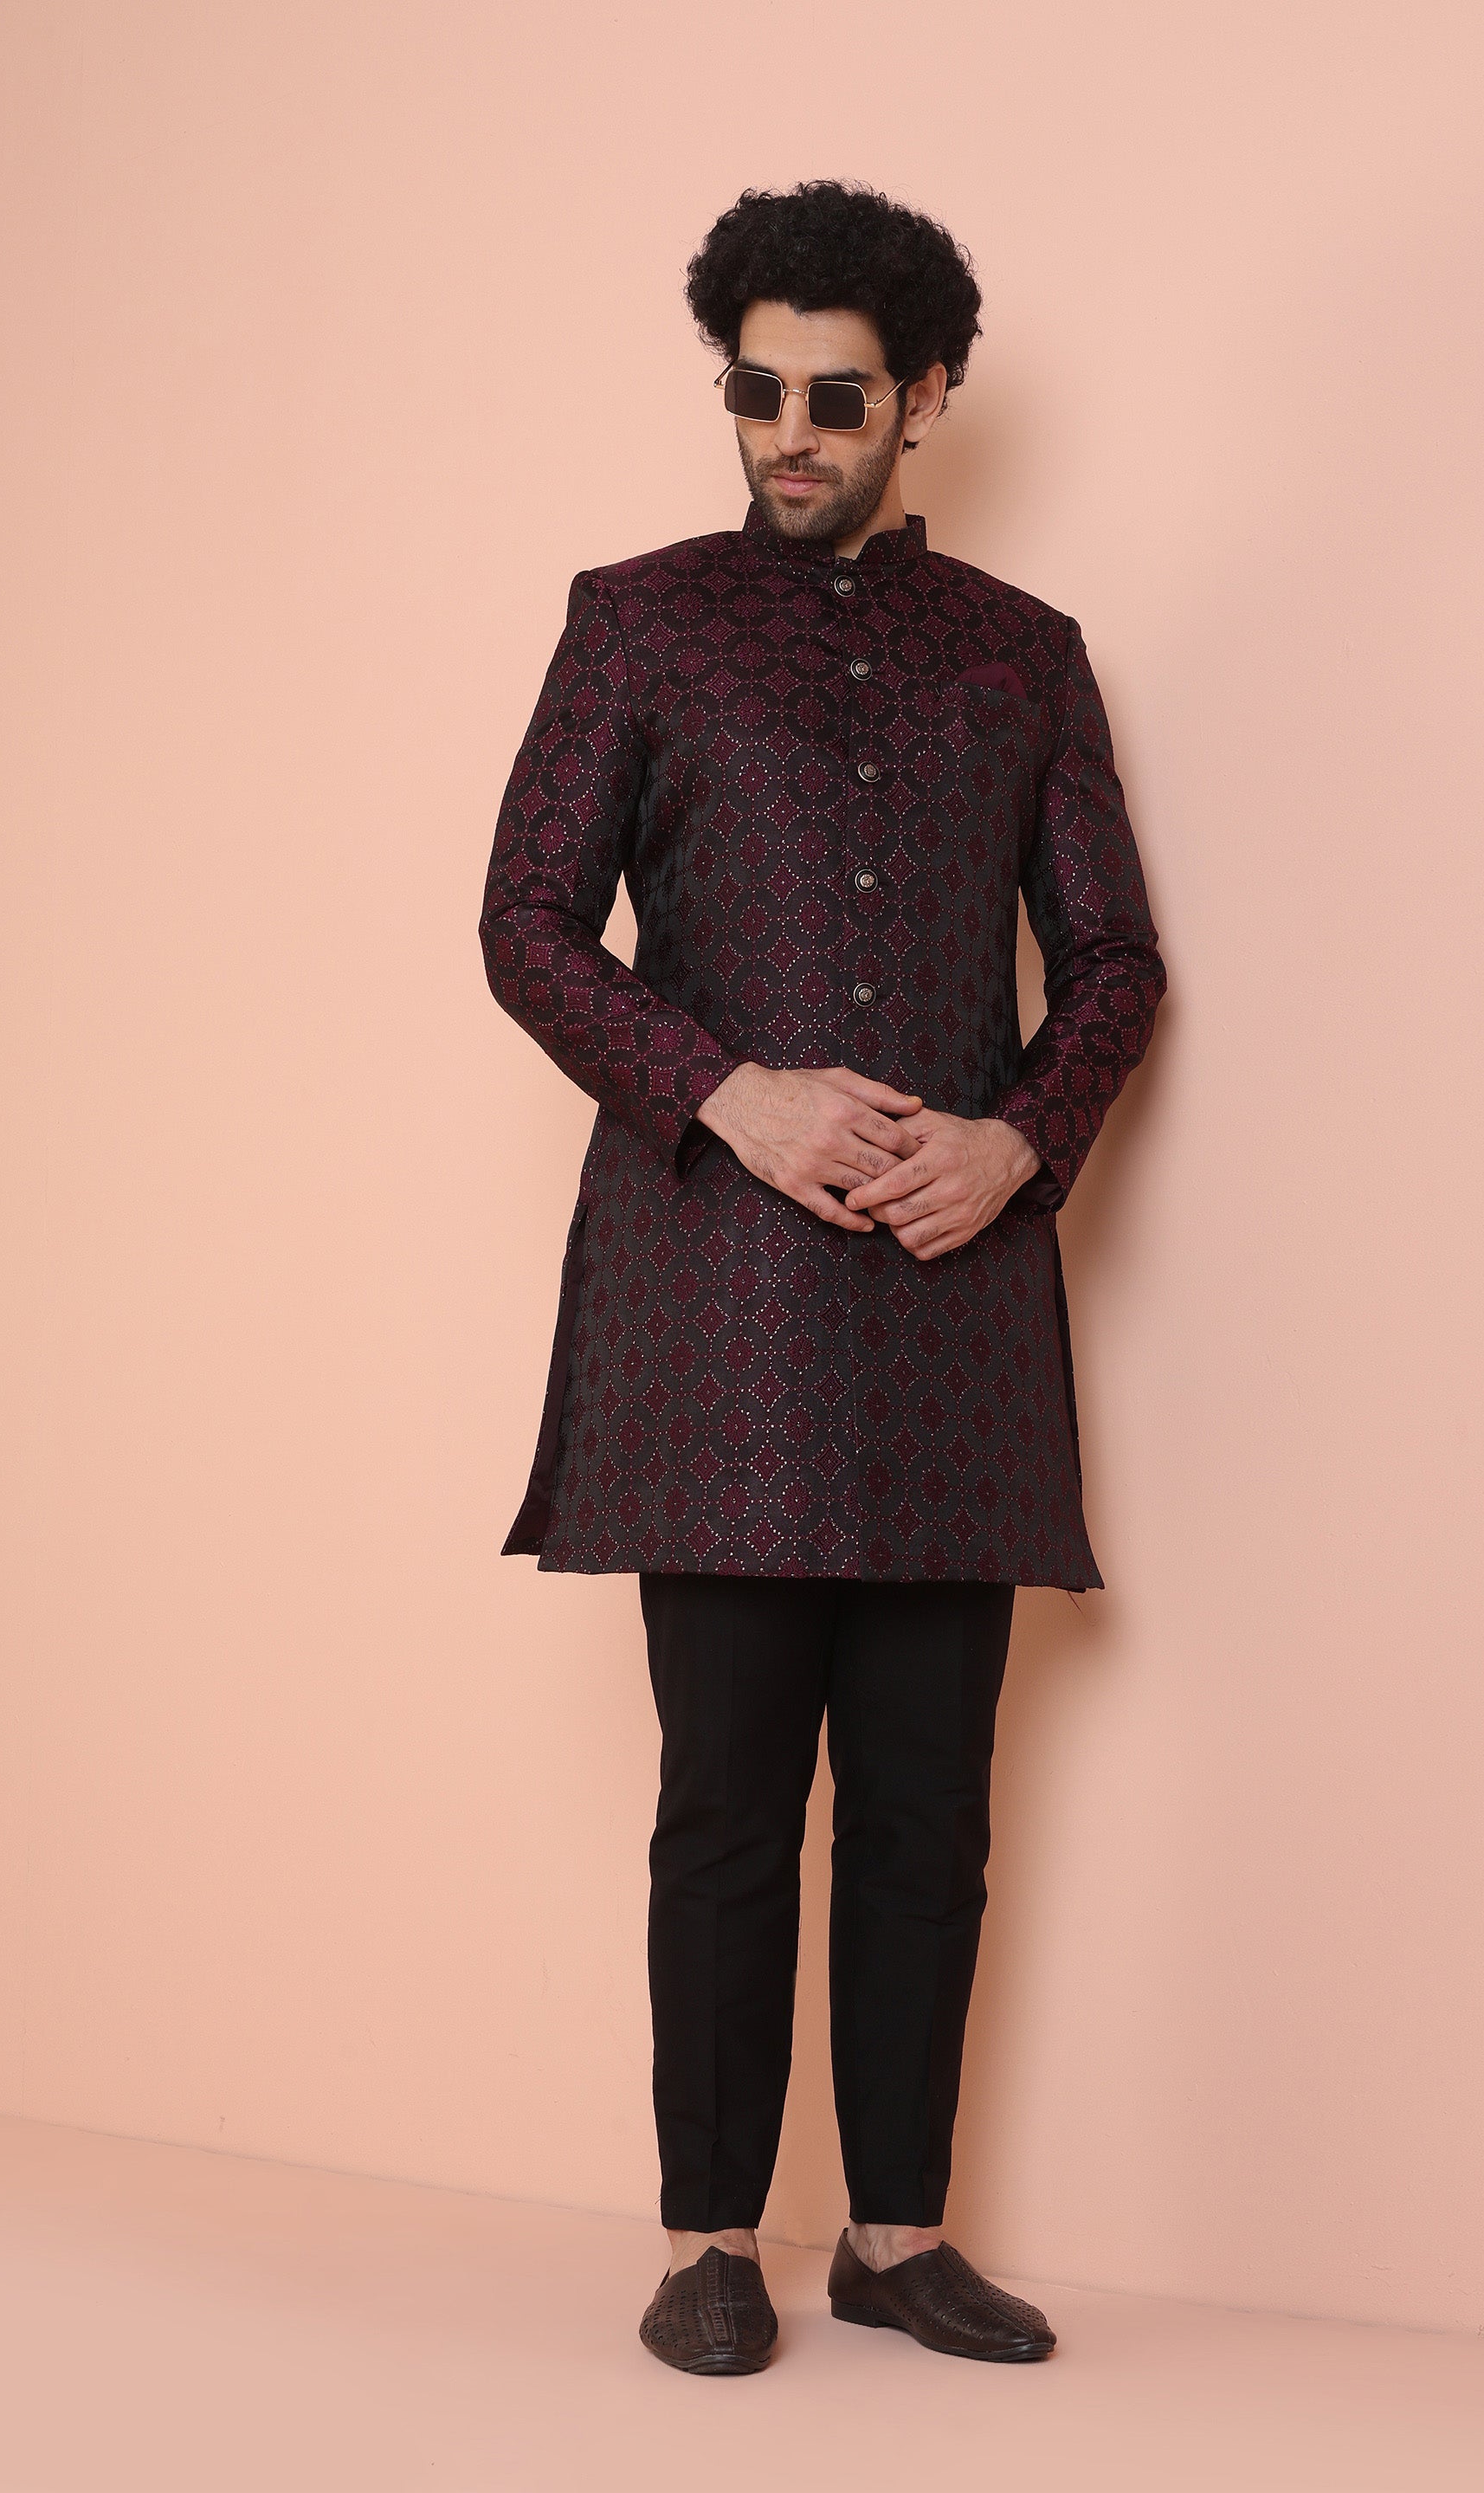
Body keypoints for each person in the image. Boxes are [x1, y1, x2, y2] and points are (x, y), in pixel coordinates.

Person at [477, 179, 1166, 2375]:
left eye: (836, 398)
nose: (787, 432)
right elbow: (523, 925)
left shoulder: (1024, 652)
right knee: (726, 1807)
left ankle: (895, 2237)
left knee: (931, 1814)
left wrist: (1018, 1141)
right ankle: (709, 2240)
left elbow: (1117, 959)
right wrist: (729, 1092)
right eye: (755, 391)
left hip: (954, 1306)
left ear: (924, 398)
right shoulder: (640, 625)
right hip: (719, 1308)